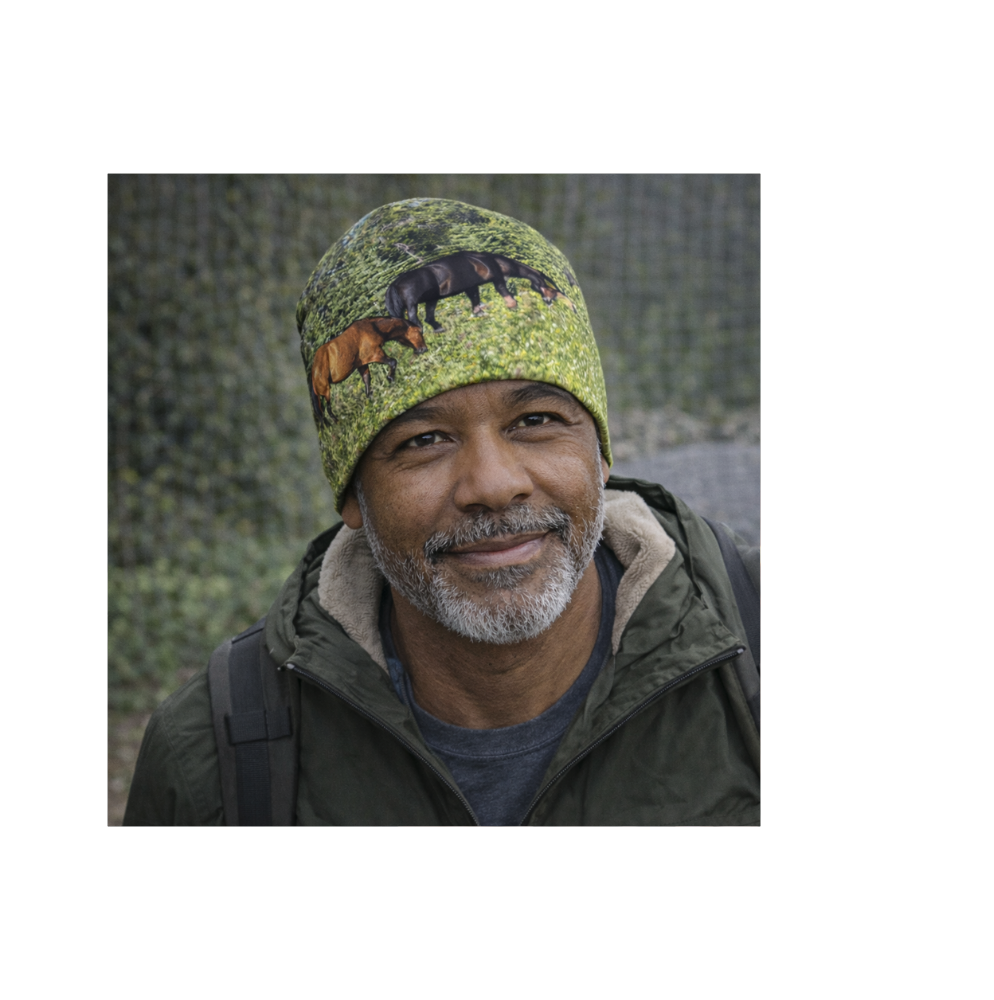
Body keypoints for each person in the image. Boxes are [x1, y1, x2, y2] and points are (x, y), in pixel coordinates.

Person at [123, 198, 761, 827]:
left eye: (535, 420)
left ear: (599, 454)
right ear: (352, 494)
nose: (494, 485)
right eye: (424, 439)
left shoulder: (748, 653)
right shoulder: (214, 763)